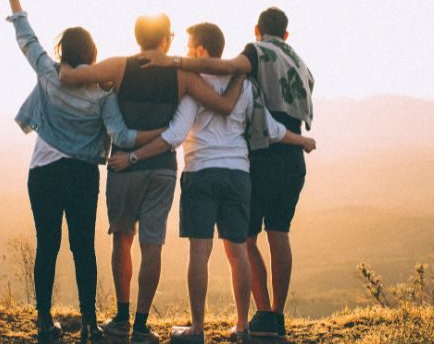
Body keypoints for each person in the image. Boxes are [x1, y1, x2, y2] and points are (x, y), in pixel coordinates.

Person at [108, 23, 315, 343]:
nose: (188, 52)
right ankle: (244, 327)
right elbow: (269, 128)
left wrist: (133, 156)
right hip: (238, 175)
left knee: (199, 253)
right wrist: (299, 140)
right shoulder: (244, 85)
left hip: (201, 173)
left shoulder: (194, 86)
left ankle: (198, 329)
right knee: (239, 253)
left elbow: (174, 136)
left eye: (191, 47)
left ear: (202, 51)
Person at [0, 0, 164, 344]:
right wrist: (163, 135)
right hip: (83, 174)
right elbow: (120, 135)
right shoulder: (103, 92)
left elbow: (27, 39)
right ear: (92, 54)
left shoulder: (50, 74)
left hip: (43, 171)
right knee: (82, 247)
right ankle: (89, 324)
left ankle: (43, 322)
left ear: (62, 52)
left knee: (47, 245)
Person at [59, 15, 245, 343]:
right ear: (164, 42)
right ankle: (142, 325)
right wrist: (242, 73)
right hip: (161, 168)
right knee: (152, 244)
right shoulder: (182, 75)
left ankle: (121, 316)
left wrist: (62, 68)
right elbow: (222, 105)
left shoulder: (118, 67)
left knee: (122, 239)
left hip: (123, 167)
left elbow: (73, 76)